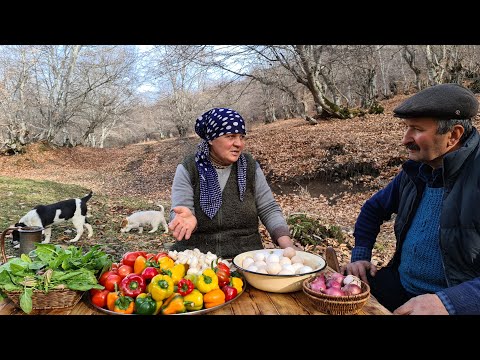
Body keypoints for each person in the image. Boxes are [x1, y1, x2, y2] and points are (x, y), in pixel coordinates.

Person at [344, 83, 480, 315]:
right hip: (401, 285)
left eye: (416, 129)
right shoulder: (416, 172)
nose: (405, 139)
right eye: (406, 128)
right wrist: (360, 255)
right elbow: (373, 209)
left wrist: (450, 302)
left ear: (453, 135)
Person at [168, 107, 298, 259]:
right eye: (231, 136)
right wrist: (185, 221)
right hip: (198, 258)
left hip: (246, 257)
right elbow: (180, 212)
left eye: (242, 137)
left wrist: (288, 246)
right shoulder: (189, 168)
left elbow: (268, 209)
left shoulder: (250, 167)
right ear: (210, 139)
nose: (239, 144)